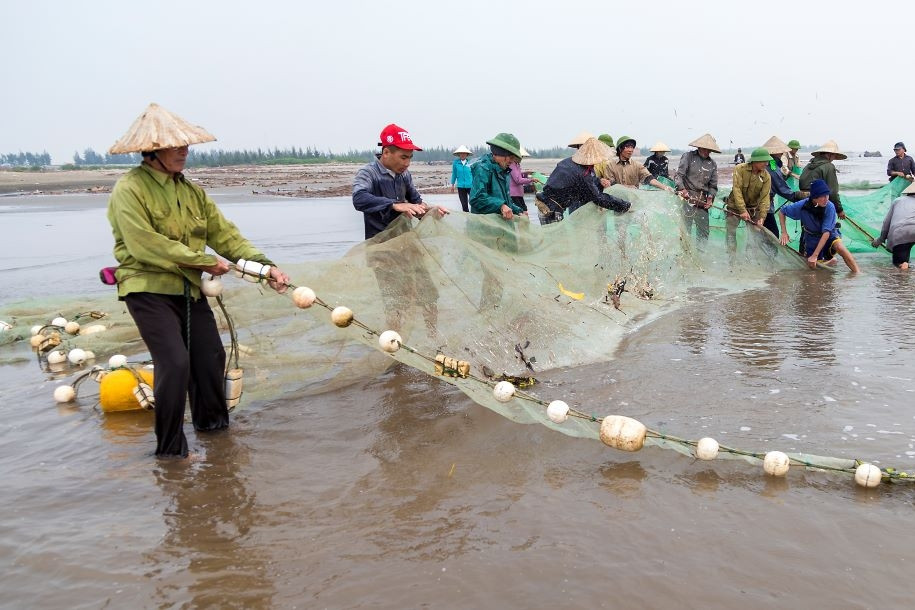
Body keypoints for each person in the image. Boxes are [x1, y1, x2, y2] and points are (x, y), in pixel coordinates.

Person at [106, 103, 291, 458]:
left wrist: (267, 269)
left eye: (186, 145)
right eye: (175, 146)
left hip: (188, 289)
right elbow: (144, 243)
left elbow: (226, 236)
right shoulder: (129, 190)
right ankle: (170, 451)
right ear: (152, 151)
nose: (184, 152)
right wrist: (204, 261)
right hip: (147, 288)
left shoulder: (191, 192)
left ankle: (216, 435)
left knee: (209, 357)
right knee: (175, 362)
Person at [353, 123, 445, 240]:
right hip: (378, 244)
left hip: (404, 241)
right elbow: (359, 198)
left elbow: (416, 202)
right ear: (386, 153)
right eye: (403, 157)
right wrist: (393, 204)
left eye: (409, 158)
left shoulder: (404, 174)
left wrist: (430, 211)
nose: (407, 163)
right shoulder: (369, 172)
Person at [536, 137, 630, 220]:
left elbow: (587, 182)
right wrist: (624, 205)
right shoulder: (582, 173)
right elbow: (598, 198)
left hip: (544, 200)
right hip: (549, 208)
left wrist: (599, 180)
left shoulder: (569, 162)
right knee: (553, 238)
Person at [778, 179, 859, 272]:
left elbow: (826, 233)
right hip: (812, 237)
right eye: (823, 196)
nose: (826, 199)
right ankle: (829, 262)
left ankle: (857, 272)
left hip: (829, 234)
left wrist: (815, 255)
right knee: (811, 266)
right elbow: (782, 212)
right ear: (814, 197)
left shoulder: (830, 206)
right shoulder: (802, 206)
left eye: (827, 195)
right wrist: (784, 232)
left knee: (840, 247)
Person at [726, 147, 772, 255]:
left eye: (767, 161)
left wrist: (762, 217)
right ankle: (731, 258)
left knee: (755, 235)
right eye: (764, 161)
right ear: (755, 161)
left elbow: (765, 197)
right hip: (735, 207)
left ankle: (750, 260)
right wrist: (742, 210)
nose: (766, 164)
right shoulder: (739, 169)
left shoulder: (766, 176)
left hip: (753, 209)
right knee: (731, 233)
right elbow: (737, 189)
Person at [675, 133, 720, 243]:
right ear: (699, 147)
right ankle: (685, 255)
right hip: (687, 199)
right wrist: (682, 189)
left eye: (709, 150)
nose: (707, 152)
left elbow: (713, 186)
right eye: (705, 149)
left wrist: (710, 198)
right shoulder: (688, 157)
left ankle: (701, 256)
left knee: (704, 233)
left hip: (702, 202)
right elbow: (678, 176)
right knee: (685, 231)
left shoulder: (712, 164)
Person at [761, 136, 804, 238]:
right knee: (773, 236)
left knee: (760, 233)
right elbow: (783, 189)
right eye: (780, 151)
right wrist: (802, 197)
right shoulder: (772, 167)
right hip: (764, 206)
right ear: (774, 152)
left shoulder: (767, 163)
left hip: (757, 205)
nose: (782, 153)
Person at [596, 136, 675, 192]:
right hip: (617, 201)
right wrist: (627, 187)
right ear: (620, 148)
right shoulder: (610, 165)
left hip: (634, 201)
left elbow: (649, 179)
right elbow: (610, 184)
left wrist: (665, 188)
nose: (630, 150)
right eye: (627, 147)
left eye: (632, 147)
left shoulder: (637, 165)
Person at [872, 181, 915, 269]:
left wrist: (880, 240)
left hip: (901, 232)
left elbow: (886, 223)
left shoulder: (898, 200)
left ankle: (903, 277)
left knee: (900, 263)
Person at [799, 140, 846, 219]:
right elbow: (833, 192)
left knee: (807, 228)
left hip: (804, 202)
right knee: (824, 228)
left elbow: (802, 183)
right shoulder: (829, 166)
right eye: (834, 156)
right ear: (829, 154)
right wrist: (839, 210)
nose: (834, 158)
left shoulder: (808, 165)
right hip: (819, 203)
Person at [508, 147, 538, 213]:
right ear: (515, 156)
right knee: (521, 212)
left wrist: (526, 173)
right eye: (520, 156)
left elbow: (517, 174)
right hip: (514, 194)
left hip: (518, 194)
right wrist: (531, 180)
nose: (521, 158)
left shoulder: (517, 165)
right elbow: (518, 180)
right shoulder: (512, 165)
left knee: (524, 210)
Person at [450, 145, 474, 212]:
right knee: (464, 205)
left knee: (473, 203)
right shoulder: (456, 163)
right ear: (459, 154)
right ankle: (467, 220)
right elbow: (454, 174)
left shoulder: (471, 163)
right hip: (460, 186)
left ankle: (474, 218)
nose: (462, 155)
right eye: (461, 153)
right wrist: (452, 185)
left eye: (464, 153)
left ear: (467, 154)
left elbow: (474, 174)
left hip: (471, 186)